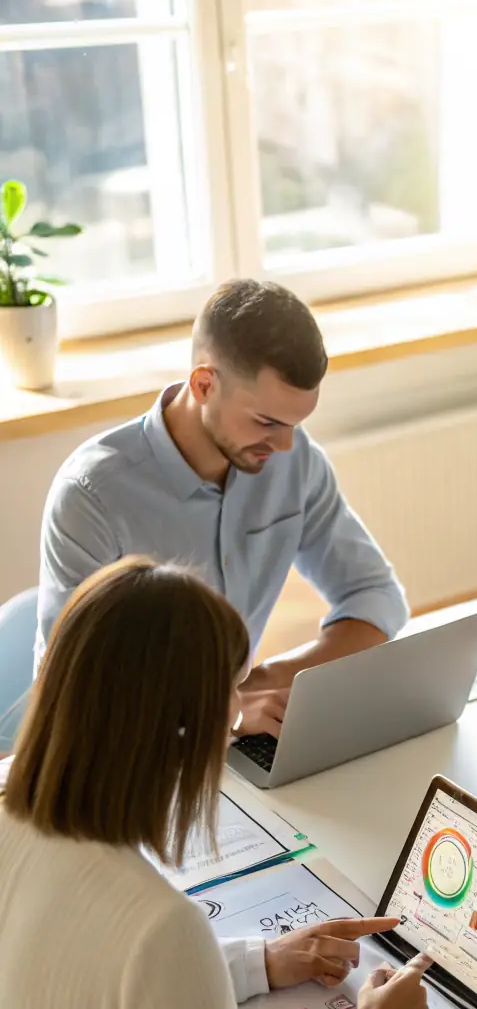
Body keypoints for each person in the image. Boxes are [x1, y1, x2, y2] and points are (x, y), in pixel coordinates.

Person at [0, 558, 431, 1009]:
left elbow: (87, 989)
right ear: (180, 731)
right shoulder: (154, 926)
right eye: (228, 701)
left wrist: (261, 959)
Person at [35, 279, 409, 738]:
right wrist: (223, 713)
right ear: (205, 384)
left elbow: (377, 597)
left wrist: (266, 682)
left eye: (295, 423)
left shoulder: (293, 459)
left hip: (222, 743)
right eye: (267, 422)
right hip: (123, 757)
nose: (286, 444)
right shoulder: (92, 496)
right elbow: (76, 690)